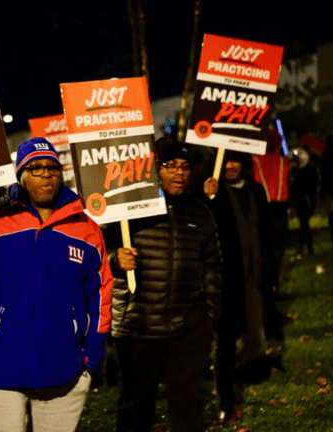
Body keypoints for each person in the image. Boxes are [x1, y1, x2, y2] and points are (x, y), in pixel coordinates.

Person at [0, 138, 112, 432]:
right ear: (21, 176)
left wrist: (90, 359)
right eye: (36, 168)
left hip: (64, 369)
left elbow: (100, 295)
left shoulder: (86, 229)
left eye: (52, 167)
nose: (46, 174)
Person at [109, 138, 221, 432]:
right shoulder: (123, 208)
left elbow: (211, 267)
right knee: (135, 408)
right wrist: (113, 259)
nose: (178, 173)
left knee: (188, 407)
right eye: (169, 166)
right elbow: (94, 253)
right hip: (137, 327)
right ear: (152, 168)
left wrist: (210, 317)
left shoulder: (201, 213)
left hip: (186, 329)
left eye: (184, 167)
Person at [204, 150, 280, 420]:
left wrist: (270, 277)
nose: (230, 167)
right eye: (225, 161)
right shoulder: (212, 192)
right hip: (226, 280)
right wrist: (208, 197)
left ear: (244, 163)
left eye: (235, 160)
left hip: (254, 278)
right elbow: (206, 227)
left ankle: (225, 371)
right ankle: (224, 401)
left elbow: (266, 235)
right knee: (224, 342)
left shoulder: (257, 191)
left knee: (254, 338)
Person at [252, 129, 289, 271]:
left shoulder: (254, 162)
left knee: (263, 249)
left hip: (261, 210)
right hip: (280, 210)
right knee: (278, 249)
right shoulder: (284, 162)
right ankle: (274, 282)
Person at [289, 147, 318, 255]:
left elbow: (309, 186)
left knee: (304, 224)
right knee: (304, 223)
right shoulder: (297, 171)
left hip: (306, 200)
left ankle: (304, 246)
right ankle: (307, 246)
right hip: (302, 199)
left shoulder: (305, 171)